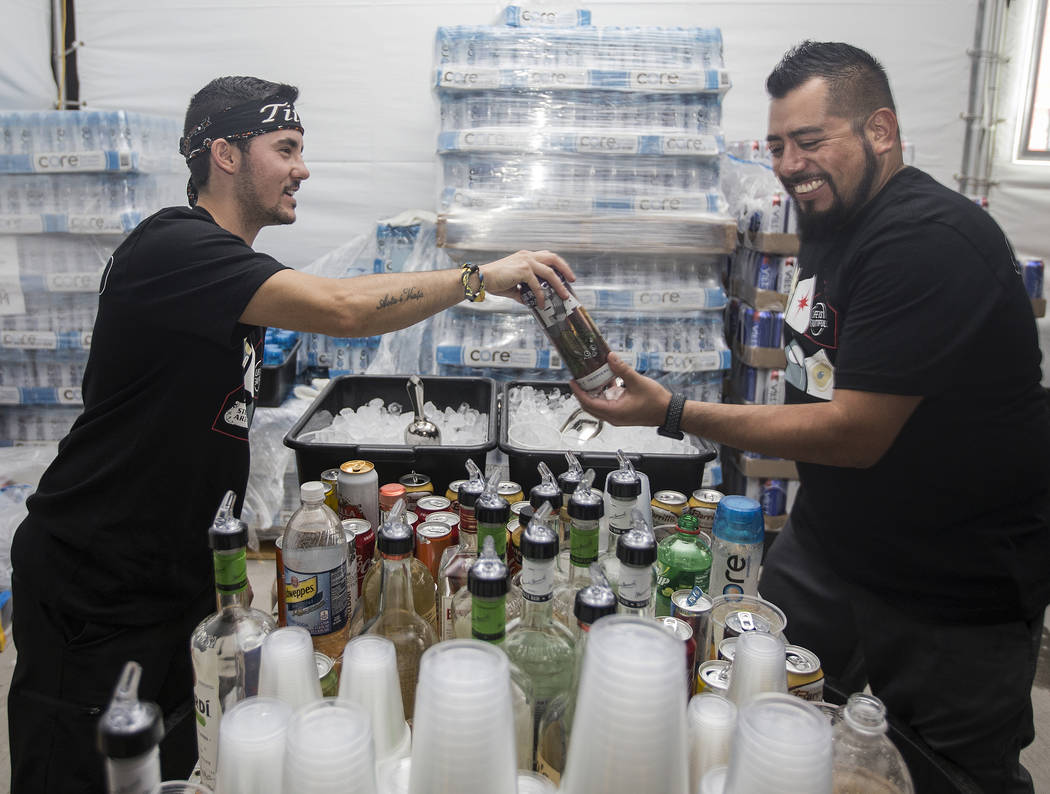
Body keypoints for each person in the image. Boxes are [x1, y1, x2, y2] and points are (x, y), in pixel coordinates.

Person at [7, 75, 574, 793]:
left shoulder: (222, 273)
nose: (303, 169)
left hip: (167, 579)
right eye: (286, 148)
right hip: (95, 589)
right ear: (226, 154)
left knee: (177, 766)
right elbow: (341, 307)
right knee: (85, 772)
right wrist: (476, 278)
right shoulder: (175, 249)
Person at [572, 42, 1050, 792]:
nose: (791, 163)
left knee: (945, 775)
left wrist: (674, 410)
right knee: (770, 726)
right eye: (777, 145)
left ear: (881, 131)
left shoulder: (927, 241)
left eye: (812, 139)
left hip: (949, 591)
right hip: (832, 548)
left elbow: (855, 433)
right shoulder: (836, 224)